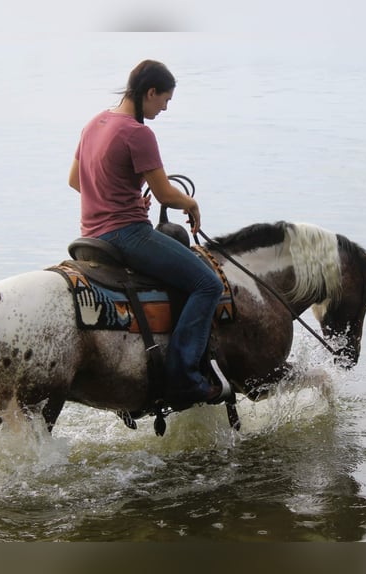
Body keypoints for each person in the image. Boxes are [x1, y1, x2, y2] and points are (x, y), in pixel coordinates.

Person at [68, 59, 231, 409]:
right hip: (126, 235)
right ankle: (185, 379)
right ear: (150, 91)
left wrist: (118, 196)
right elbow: (165, 195)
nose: (164, 108)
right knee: (208, 285)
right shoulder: (137, 133)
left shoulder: (94, 123)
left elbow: (75, 181)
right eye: (164, 100)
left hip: (90, 236)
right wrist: (191, 203)